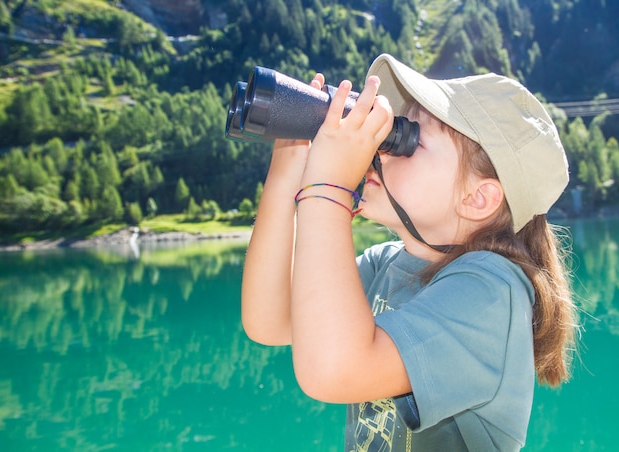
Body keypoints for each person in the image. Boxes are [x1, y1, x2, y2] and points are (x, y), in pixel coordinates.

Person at [241, 53, 578, 451]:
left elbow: (332, 370)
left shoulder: (491, 293)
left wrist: (327, 187)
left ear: (477, 198)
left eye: (409, 140)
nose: (382, 150)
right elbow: (269, 319)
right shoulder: (387, 263)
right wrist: (288, 168)